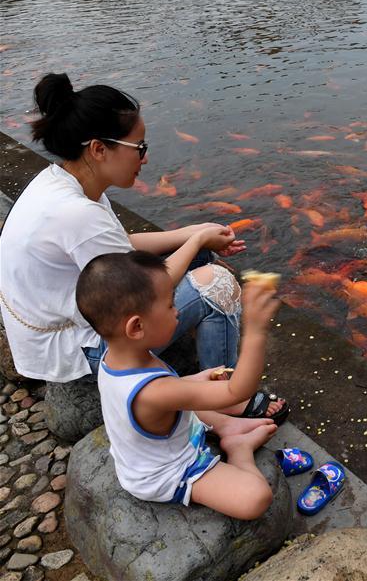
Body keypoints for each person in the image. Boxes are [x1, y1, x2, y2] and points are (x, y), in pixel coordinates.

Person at [0, 72, 286, 426]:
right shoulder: (77, 214)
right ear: (99, 149)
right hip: (78, 350)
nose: (145, 159)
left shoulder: (64, 182)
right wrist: (196, 239)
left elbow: (121, 246)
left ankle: (202, 363)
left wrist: (190, 233)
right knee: (218, 285)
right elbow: (140, 287)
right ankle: (220, 400)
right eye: (140, 148)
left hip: (68, 317)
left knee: (194, 256)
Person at [77, 251, 279, 519]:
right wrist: (255, 331)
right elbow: (236, 392)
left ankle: (228, 427)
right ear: (136, 327)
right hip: (167, 472)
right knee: (256, 497)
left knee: (190, 398)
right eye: (171, 305)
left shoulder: (113, 357)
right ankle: (239, 449)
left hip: (148, 447)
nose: (177, 312)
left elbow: (169, 391)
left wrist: (195, 380)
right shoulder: (156, 393)